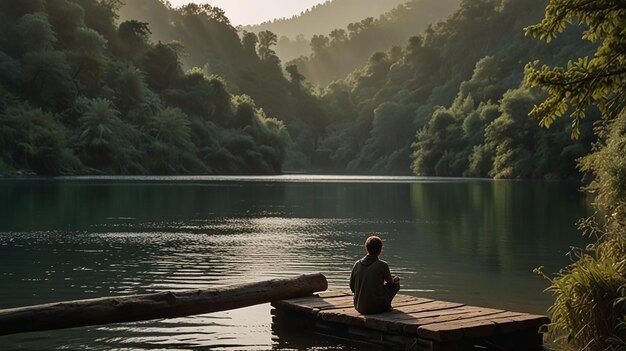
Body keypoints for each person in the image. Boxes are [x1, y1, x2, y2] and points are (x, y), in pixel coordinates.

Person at [349, 235, 400, 314]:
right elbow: (390, 282)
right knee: (396, 285)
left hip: (359, 307)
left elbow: (352, 287)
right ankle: (386, 305)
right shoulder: (382, 265)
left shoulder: (357, 264)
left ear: (366, 248)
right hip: (376, 308)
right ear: (380, 250)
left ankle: (382, 304)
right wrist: (394, 279)